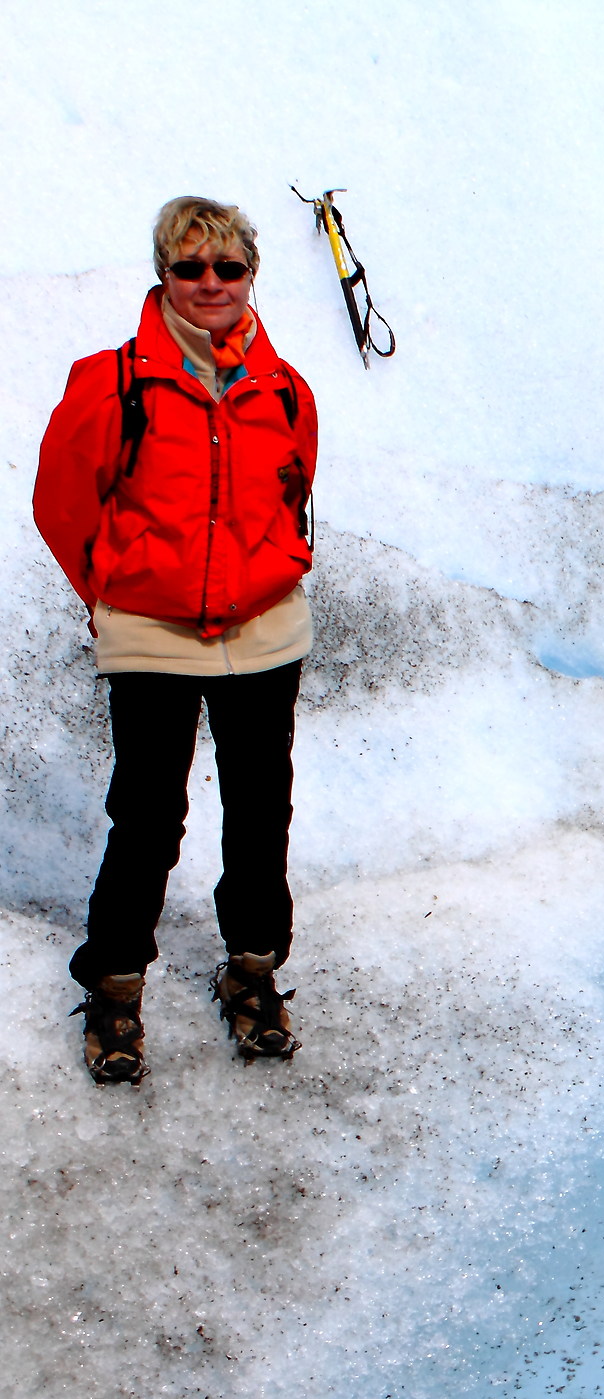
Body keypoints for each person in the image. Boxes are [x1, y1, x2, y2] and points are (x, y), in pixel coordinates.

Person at [32, 197, 318, 1086]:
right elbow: (62, 504)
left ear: (250, 276)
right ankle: (115, 985)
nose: (210, 284)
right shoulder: (111, 382)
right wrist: (114, 593)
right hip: (152, 633)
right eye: (190, 267)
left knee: (261, 809)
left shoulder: (284, 387)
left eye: (228, 268)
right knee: (149, 816)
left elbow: (293, 491)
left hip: (263, 632)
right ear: (163, 274)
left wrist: (273, 567)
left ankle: (253, 972)